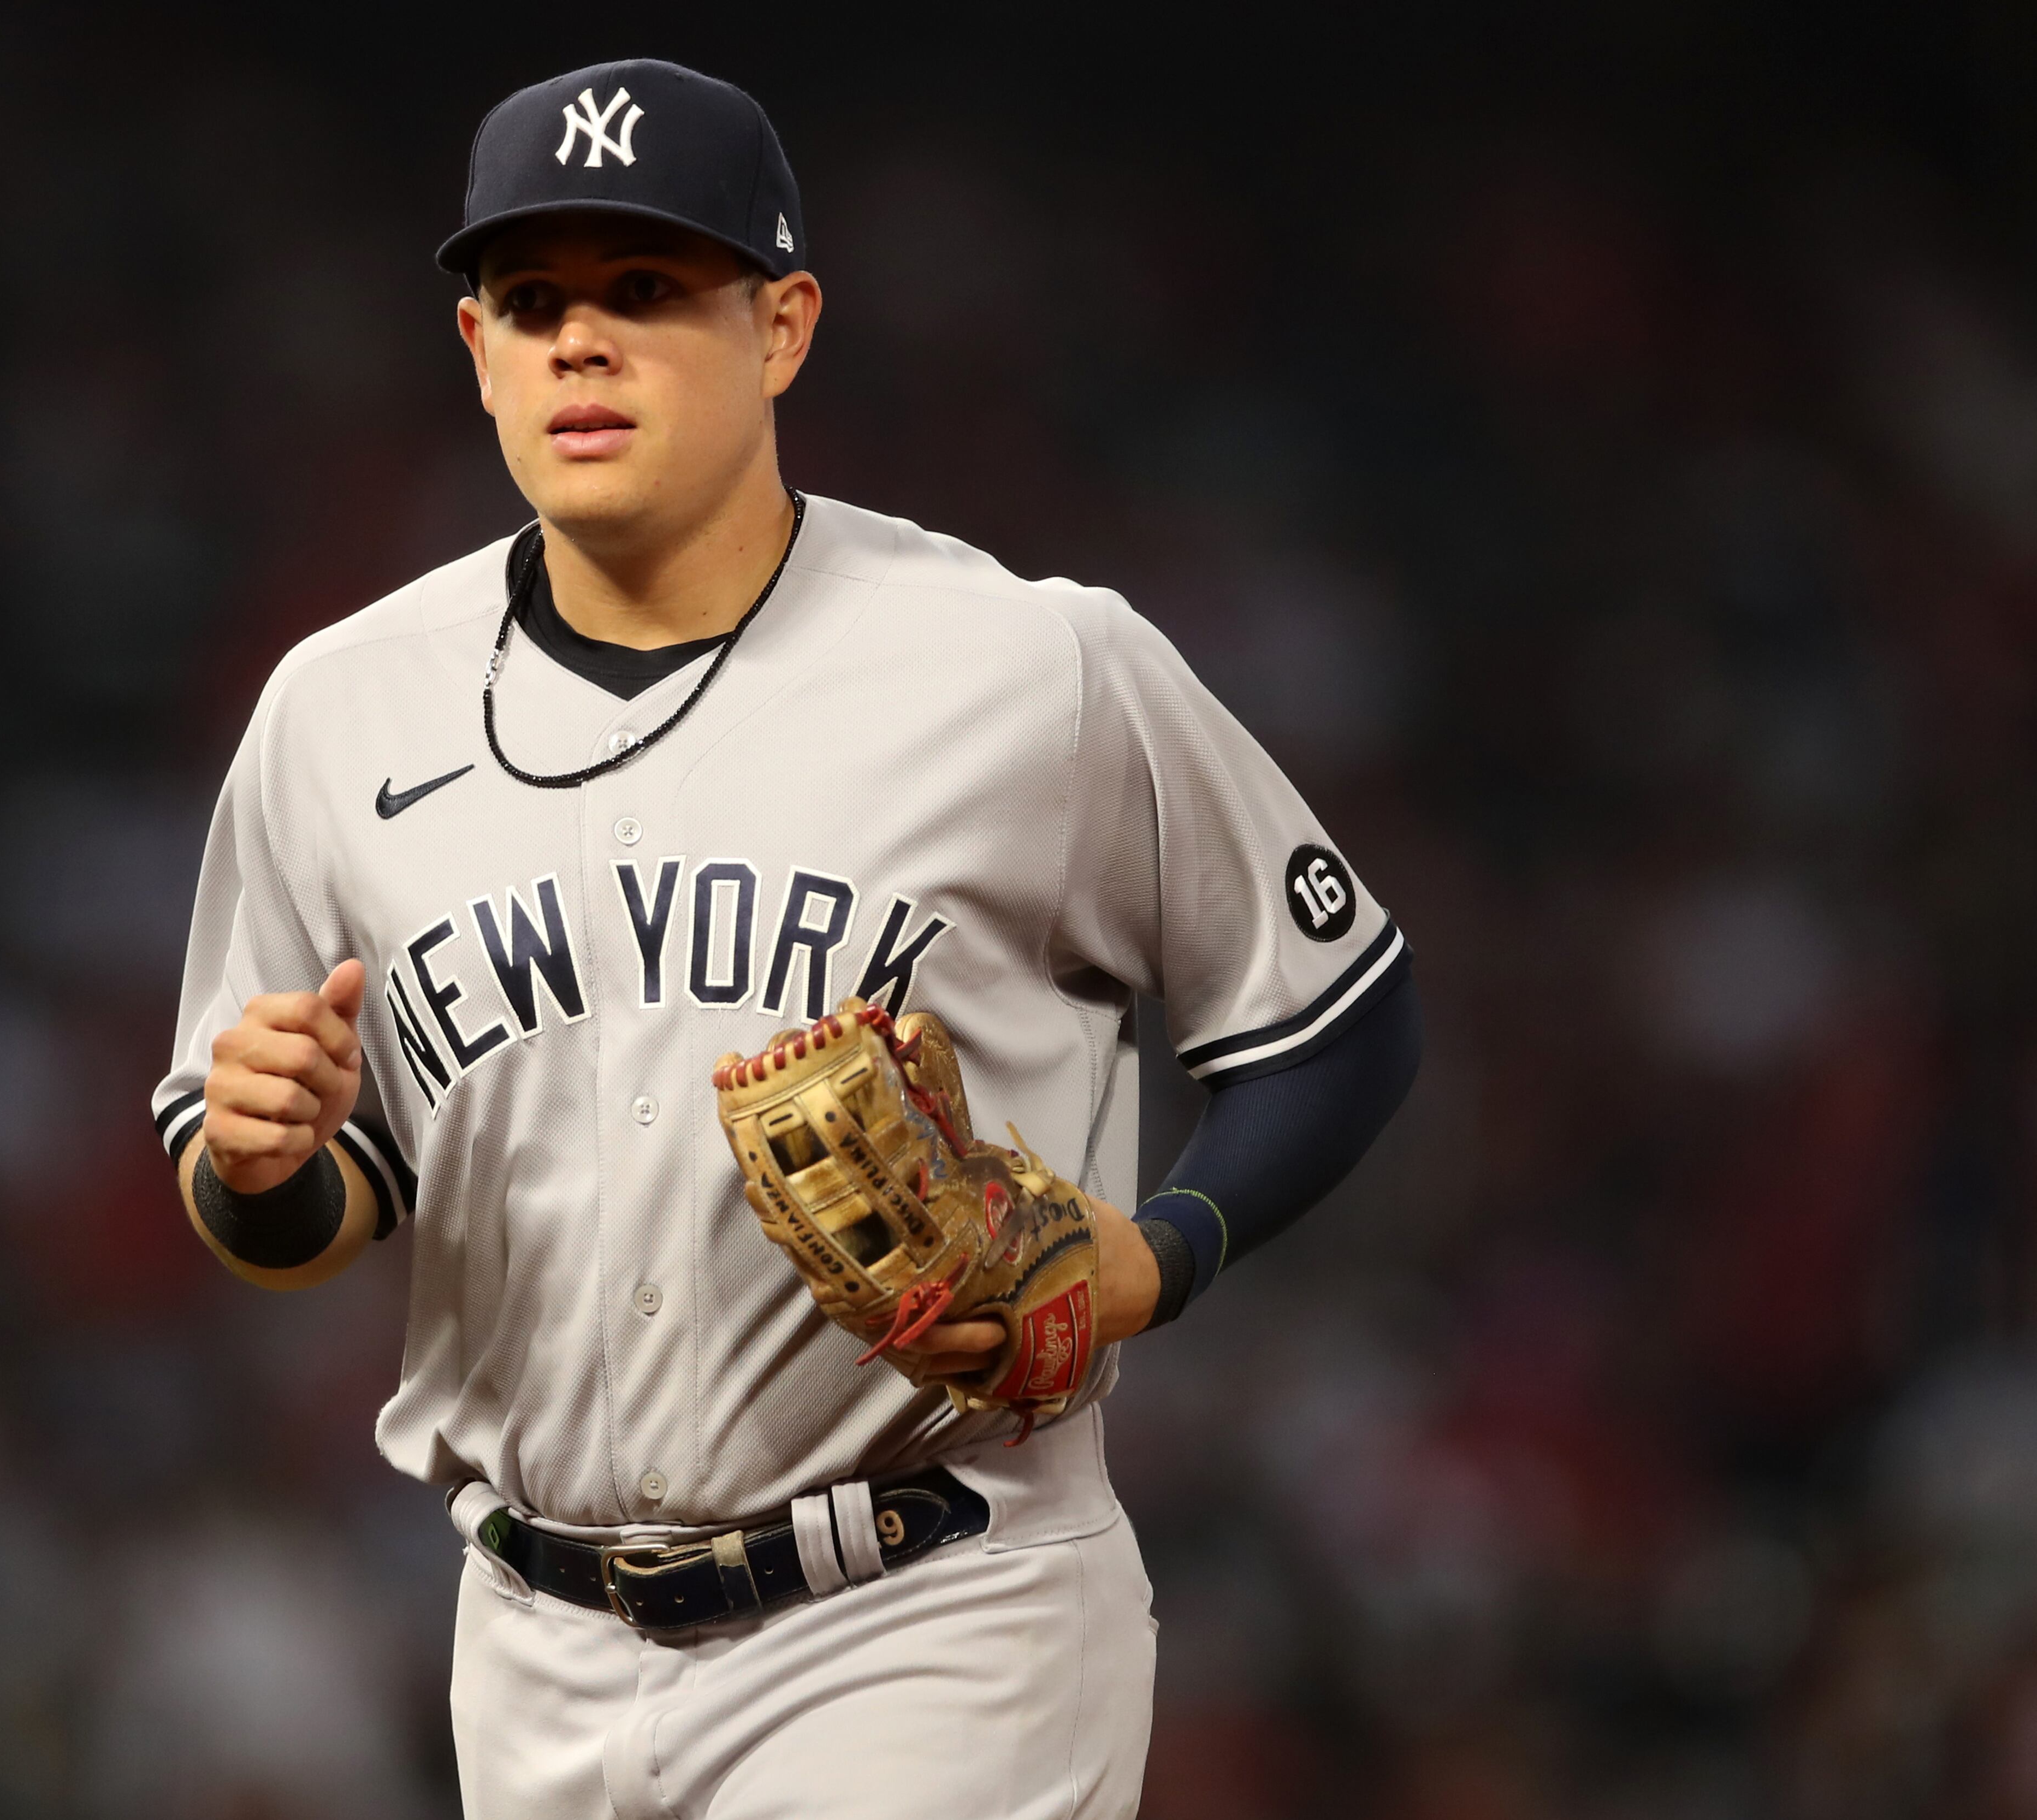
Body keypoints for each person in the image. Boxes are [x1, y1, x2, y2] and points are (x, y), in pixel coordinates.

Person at [151, 57, 1422, 1818]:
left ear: (785, 326)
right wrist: (264, 1159)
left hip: (929, 1614)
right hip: (531, 1650)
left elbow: (1336, 1019)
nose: (582, 344)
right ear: (478, 353)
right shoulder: (337, 713)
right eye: (535, 302)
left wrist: (1160, 1253)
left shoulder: (1026, 668)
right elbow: (307, 1210)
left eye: (650, 291)